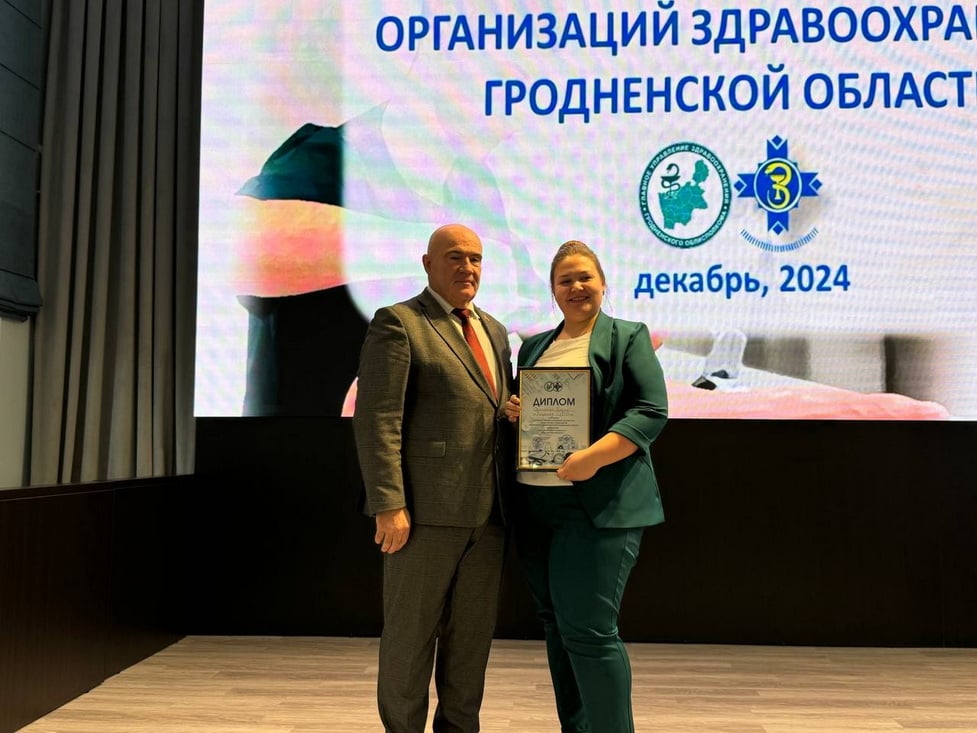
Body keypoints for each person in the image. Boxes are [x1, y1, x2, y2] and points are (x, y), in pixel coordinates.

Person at [352, 223, 514, 733]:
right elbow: (378, 418)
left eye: (476, 259)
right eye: (455, 257)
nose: (467, 268)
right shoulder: (399, 322)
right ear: (427, 263)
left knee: (470, 644)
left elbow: (486, 407)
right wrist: (388, 502)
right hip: (422, 515)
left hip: (490, 516)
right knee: (410, 640)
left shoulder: (495, 331)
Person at [504, 240, 669, 733]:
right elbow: (535, 416)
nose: (576, 287)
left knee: (591, 634)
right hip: (536, 506)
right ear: (553, 290)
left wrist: (591, 459)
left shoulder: (628, 337)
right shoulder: (534, 347)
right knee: (559, 627)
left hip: (598, 505)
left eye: (584, 277)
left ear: (602, 284)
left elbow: (650, 411)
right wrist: (517, 411)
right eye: (565, 280)